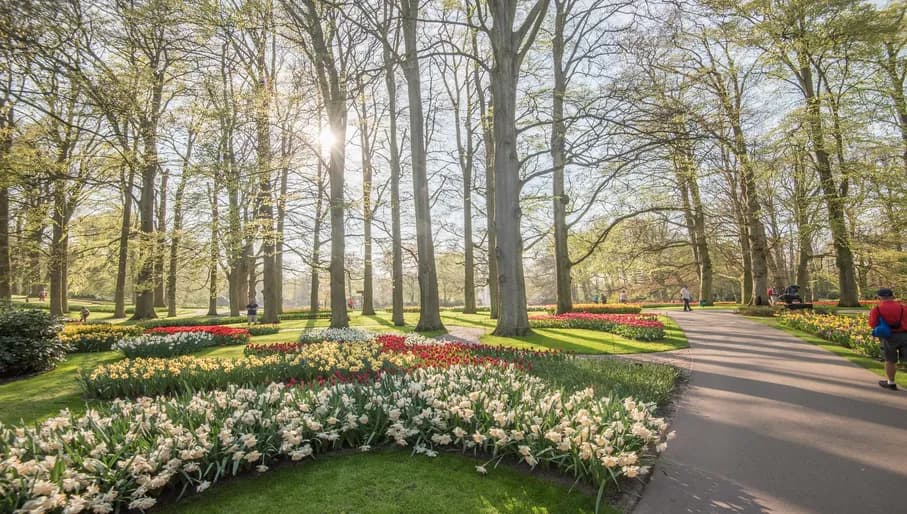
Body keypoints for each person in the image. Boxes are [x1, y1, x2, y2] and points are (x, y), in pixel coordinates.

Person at [869, 288, 906, 391]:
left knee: (890, 360)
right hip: (905, 335)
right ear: (892, 296)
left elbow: (872, 324)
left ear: (879, 297)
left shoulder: (877, 309)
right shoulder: (903, 308)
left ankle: (891, 382)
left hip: (888, 337)